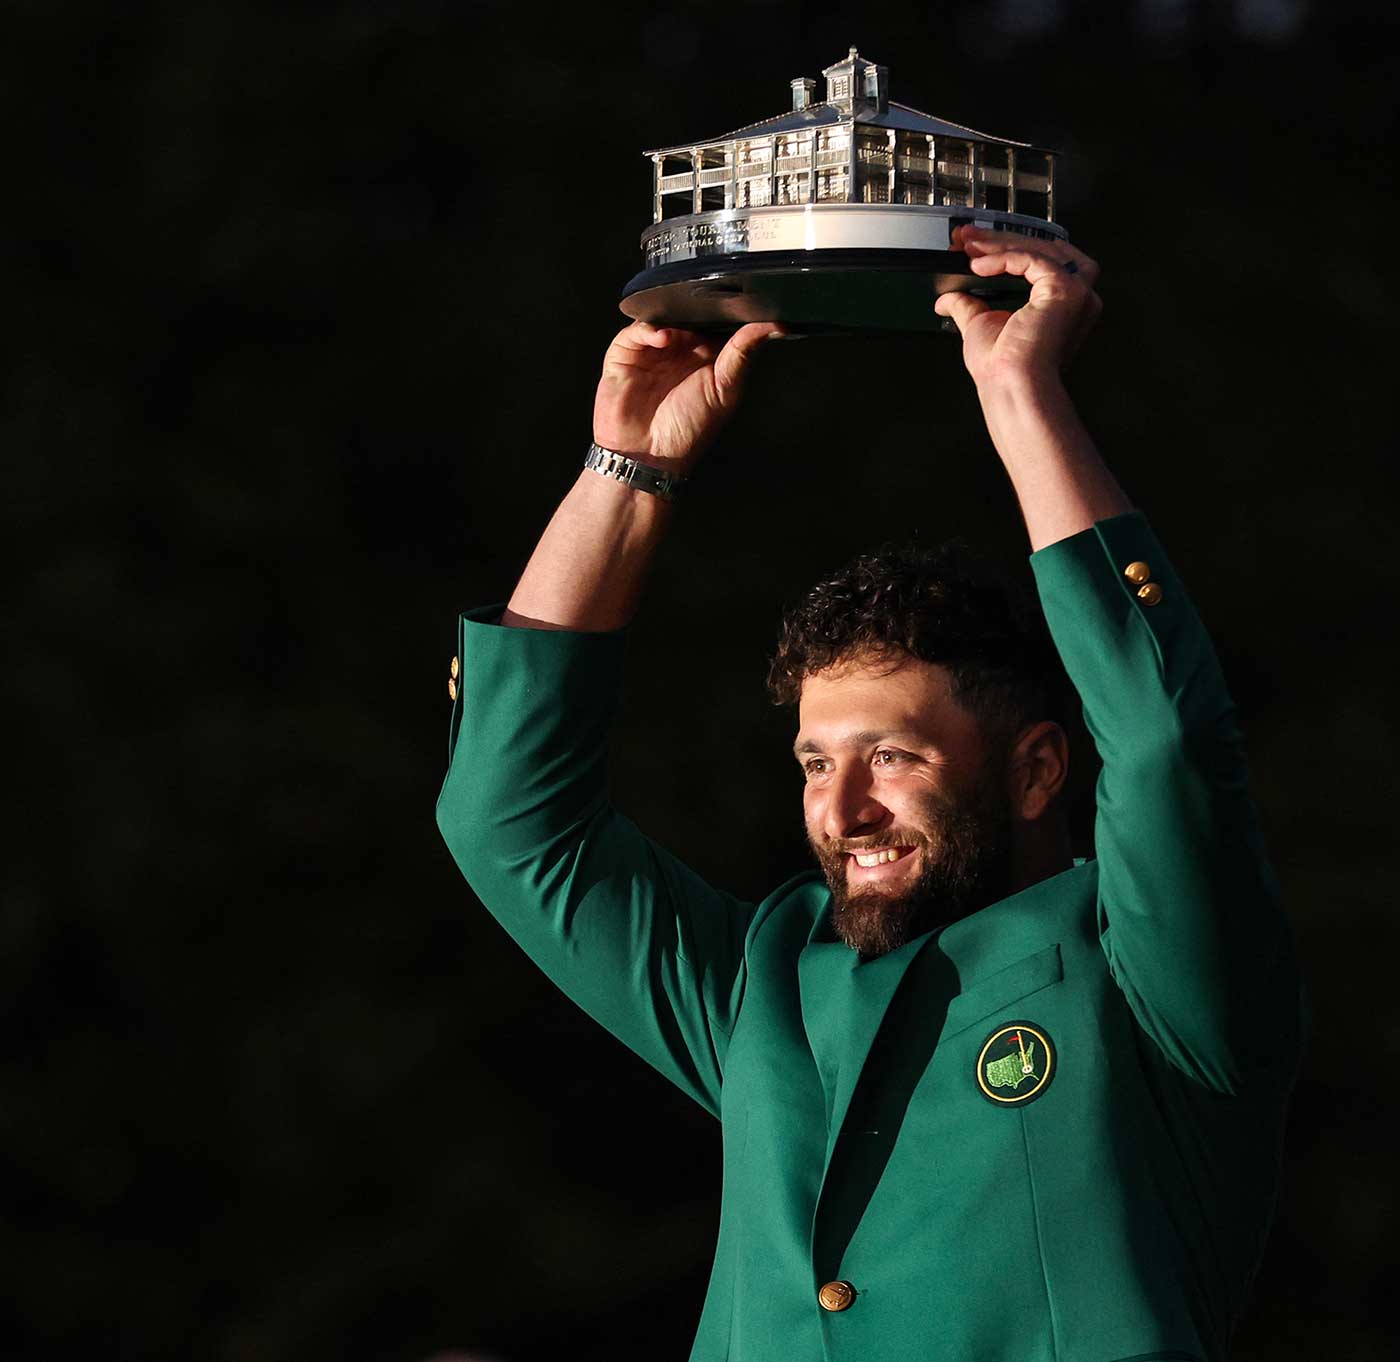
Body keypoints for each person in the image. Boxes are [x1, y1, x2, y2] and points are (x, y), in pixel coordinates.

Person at [435, 226, 1302, 1362]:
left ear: (1037, 769)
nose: (840, 811)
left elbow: (1163, 744)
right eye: (813, 762)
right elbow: (507, 822)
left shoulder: (1149, 976)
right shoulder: (766, 986)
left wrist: (1018, 394)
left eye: (891, 758)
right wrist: (627, 472)